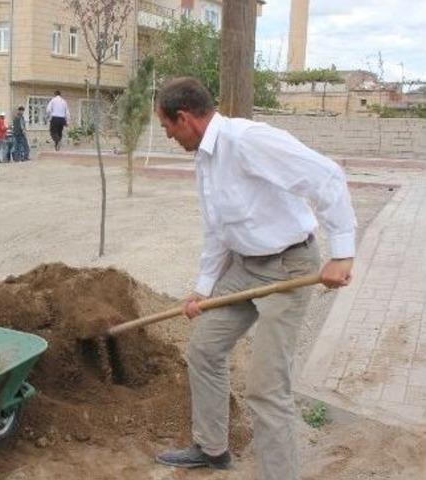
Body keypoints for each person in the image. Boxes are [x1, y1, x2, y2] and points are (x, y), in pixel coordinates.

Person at [152, 77, 356, 480]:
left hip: (289, 266)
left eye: (166, 127)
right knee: (205, 349)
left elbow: (327, 176)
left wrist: (343, 254)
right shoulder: (205, 158)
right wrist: (202, 288)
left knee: (266, 389)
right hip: (245, 267)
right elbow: (217, 230)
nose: (167, 135)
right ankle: (211, 448)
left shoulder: (247, 140)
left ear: (184, 118)